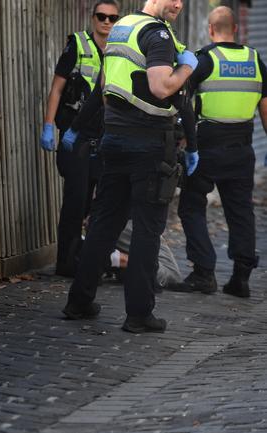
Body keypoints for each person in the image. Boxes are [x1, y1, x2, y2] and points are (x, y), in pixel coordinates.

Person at [62, 0, 198, 334]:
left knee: (104, 224)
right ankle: (139, 314)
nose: (179, 4)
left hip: (115, 141)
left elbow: (102, 86)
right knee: (148, 230)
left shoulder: (122, 29)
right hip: (149, 145)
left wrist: (78, 127)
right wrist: (187, 69)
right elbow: (162, 87)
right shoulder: (158, 34)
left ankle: (79, 302)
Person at [173, 6, 267, 297]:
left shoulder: (205, 60)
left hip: (208, 146)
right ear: (236, 29)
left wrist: (182, 142)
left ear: (210, 30)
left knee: (190, 205)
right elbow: (265, 109)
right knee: (240, 211)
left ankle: (204, 272)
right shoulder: (255, 60)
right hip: (242, 147)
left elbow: (182, 101)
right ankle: (241, 277)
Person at [40, 0, 120, 277]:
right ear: (93, 18)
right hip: (76, 136)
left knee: (92, 204)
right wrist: (49, 124)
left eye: (112, 18)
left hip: (105, 137)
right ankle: (66, 263)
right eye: (102, 16)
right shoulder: (78, 44)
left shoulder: (119, 51)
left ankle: (84, 258)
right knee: (75, 201)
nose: (106, 22)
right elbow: (57, 89)